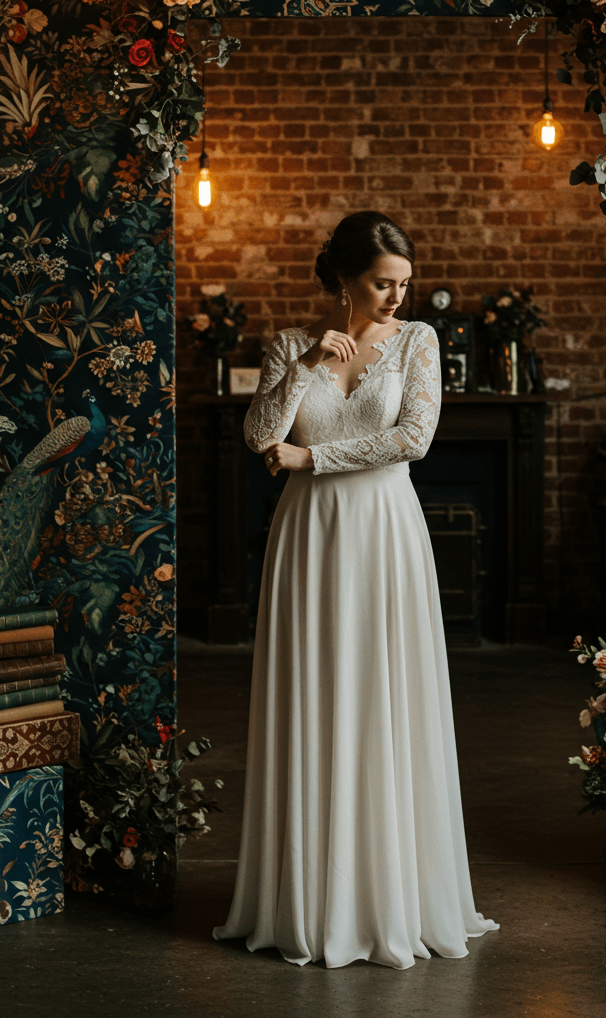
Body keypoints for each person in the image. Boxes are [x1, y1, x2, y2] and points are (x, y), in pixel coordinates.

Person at [212, 210, 499, 970]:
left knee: (382, 695)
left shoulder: (417, 343)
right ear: (344, 279)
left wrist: (308, 460)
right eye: (383, 284)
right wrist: (305, 365)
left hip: (381, 531)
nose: (397, 297)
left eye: (405, 284)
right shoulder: (288, 347)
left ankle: (388, 896)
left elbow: (413, 439)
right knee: (314, 693)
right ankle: (308, 898)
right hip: (306, 538)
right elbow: (256, 435)